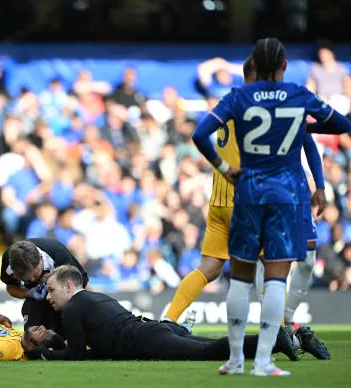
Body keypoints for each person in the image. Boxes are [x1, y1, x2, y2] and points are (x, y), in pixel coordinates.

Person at [192, 38, 351, 376]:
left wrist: (224, 168)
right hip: (285, 196)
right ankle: (262, 361)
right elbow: (342, 124)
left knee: (240, 277)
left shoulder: (238, 97)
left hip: (247, 191)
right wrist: (299, 124)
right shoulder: (297, 95)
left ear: (253, 66)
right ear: (283, 66)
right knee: (277, 277)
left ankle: (235, 360)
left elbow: (200, 134)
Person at [166, 56, 330, 360]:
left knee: (210, 267)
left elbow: (202, 135)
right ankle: (284, 330)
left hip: (218, 200)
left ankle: (168, 319)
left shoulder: (229, 100)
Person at [24, 265, 296, 363]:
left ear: (69, 287)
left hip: (147, 339)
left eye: (51, 290)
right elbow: (94, 351)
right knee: (211, 346)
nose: (48, 297)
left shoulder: (73, 307)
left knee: (208, 351)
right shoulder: (95, 297)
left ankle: (277, 341)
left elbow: (76, 355)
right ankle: (279, 339)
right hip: (151, 331)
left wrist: (43, 353)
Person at [0, 238, 88, 335]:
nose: (33, 280)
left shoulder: (59, 255)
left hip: (64, 299)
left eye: (35, 274)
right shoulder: (9, 261)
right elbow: (11, 288)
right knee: (33, 337)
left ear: (41, 258)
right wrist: (27, 293)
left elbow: (81, 289)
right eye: (26, 278)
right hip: (35, 299)